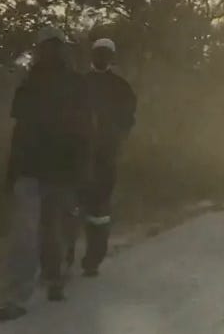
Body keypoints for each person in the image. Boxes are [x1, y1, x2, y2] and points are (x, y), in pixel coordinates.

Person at [0, 26, 87, 322]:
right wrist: (11, 171)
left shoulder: (77, 84)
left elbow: (85, 131)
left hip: (62, 169)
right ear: (40, 51)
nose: (54, 52)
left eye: (58, 47)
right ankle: (18, 297)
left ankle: (56, 279)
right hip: (30, 168)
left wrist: (83, 167)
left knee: (55, 229)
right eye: (48, 47)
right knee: (25, 233)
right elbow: (18, 131)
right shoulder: (28, 86)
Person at [65, 37, 137, 277]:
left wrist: (116, 142)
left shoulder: (121, 87)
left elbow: (128, 121)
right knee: (73, 208)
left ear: (112, 57)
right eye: (98, 52)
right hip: (78, 156)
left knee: (99, 212)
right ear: (91, 55)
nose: (102, 57)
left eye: (106, 53)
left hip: (105, 157)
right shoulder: (78, 85)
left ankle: (93, 260)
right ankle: (66, 258)